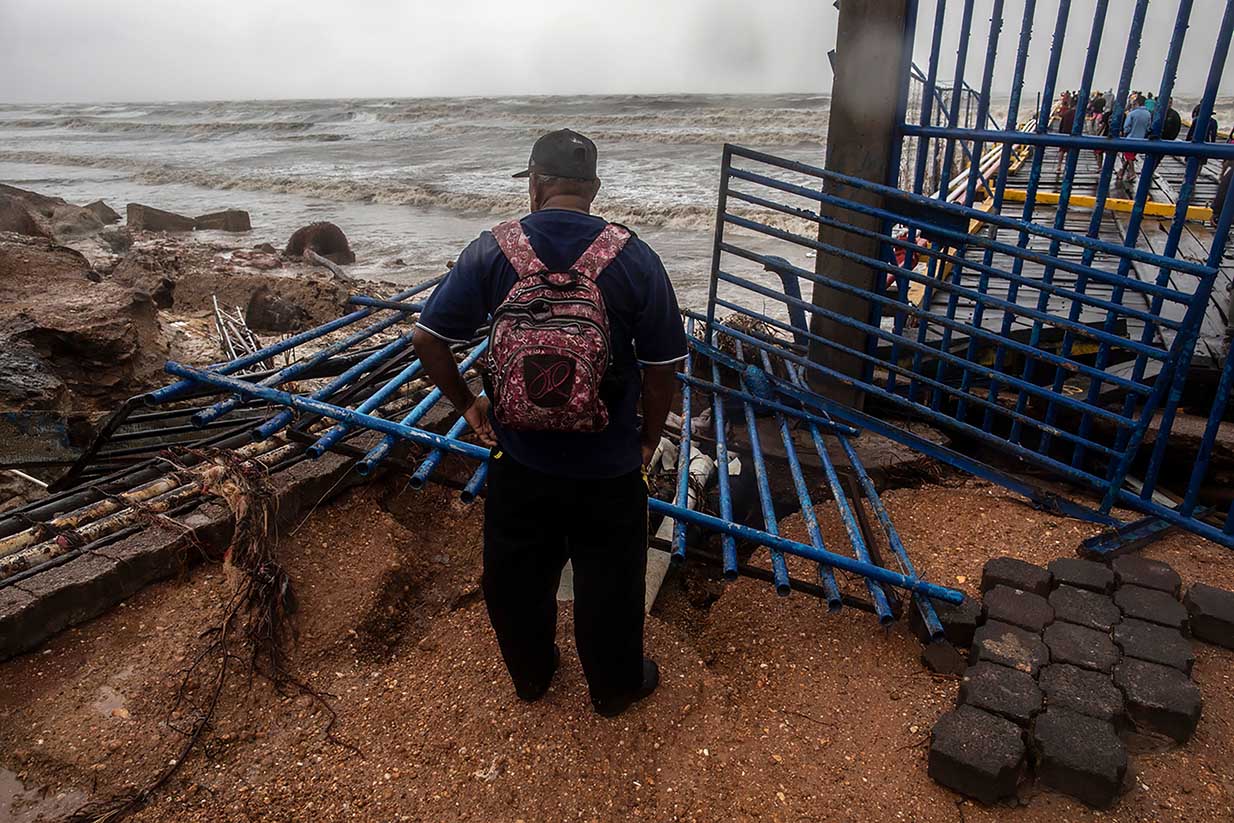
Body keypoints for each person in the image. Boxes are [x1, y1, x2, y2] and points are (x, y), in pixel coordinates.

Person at [413, 129, 688, 717]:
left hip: (519, 458)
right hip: (609, 465)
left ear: (536, 183)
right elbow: (664, 365)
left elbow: (428, 338)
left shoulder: (493, 249)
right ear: (592, 189)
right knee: (610, 583)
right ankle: (614, 688)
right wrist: (645, 437)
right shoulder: (635, 256)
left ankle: (533, 676)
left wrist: (468, 404)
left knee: (515, 576)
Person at [1121, 95, 1152, 185]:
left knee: (1128, 156)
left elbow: (1126, 127)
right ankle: (1122, 171)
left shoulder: (1132, 113)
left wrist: (1125, 133)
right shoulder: (1148, 114)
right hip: (1141, 139)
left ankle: (1132, 172)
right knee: (1129, 157)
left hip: (1131, 138)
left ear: (1137, 103)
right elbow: (1148, 128)